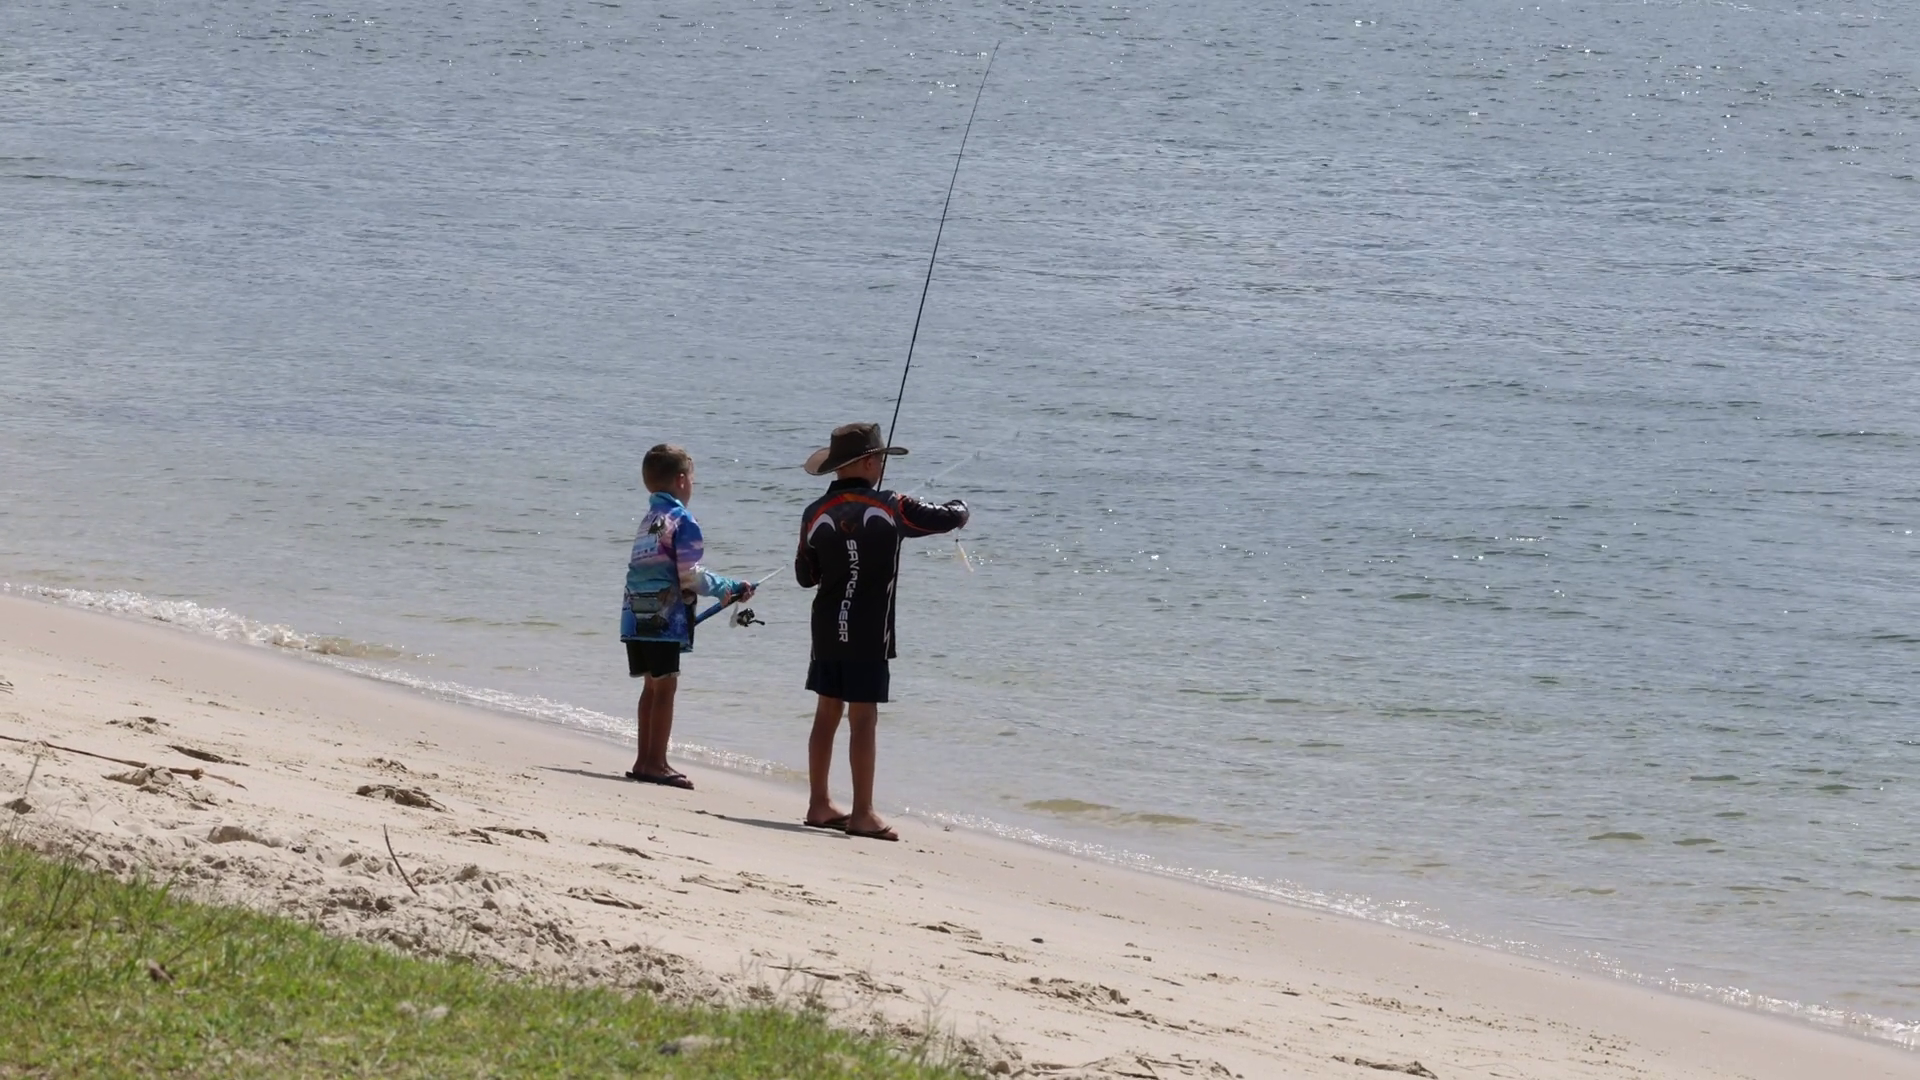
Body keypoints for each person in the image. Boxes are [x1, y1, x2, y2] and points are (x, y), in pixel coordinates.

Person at [794, 422, 969, 840]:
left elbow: (805, 576)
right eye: (881, 459)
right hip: (869, 630)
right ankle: (862, 813)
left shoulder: (814, 511)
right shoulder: (893, 505)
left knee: (827, 711)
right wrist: (961, 505)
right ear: (871, 462)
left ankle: (819, 803)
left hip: (827, 626)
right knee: (863, 717)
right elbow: (949, 518)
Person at [620, 443, 753, 790]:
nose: (692, 485)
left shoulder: (649, 520)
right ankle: (657, 763)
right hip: (663, 615)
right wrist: (727, 587)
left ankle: (644, 760)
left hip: (634, 612)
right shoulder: (683, 520)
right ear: (681, 480)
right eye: (692, 479)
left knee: (652, 685)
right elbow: (689, 576)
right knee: (666, 686)